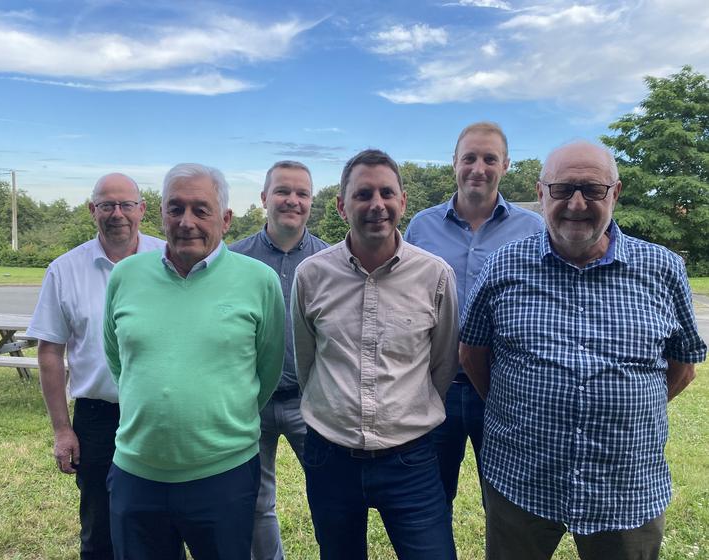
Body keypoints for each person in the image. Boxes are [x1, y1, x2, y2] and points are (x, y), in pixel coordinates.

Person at [459, 141, 707, 560]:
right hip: (522, 479)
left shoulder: (663, 268)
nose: (576, 203)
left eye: (592, 190)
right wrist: (519, 409)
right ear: (541, 194)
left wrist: (625, 411)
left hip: (626, 487)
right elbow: (472, 354)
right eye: (562, 189)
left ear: (615, 193)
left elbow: (683, 366)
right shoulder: (504, 265)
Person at [103, 163, 285, 560]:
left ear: (225, 218)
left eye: (201, 210)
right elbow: (119, 361)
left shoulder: (259, 281)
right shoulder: (125, 276)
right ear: (161, 213)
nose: (186, 222)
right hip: (137, 473)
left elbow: (266, 370)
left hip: (224, 474)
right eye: (176, 208)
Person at [292, 149, 460, 559]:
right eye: (363, 194)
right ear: (341, 204)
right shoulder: (311, 275)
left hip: (412, 461)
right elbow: (306, 360)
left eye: (387, 193)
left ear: (403, 200)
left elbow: (442, 363)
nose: (376, 205)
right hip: (329, 457)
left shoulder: (435, 275)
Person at [405, 121, 543, 508]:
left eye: (489, 159)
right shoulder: (422, 226)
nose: (478, 168)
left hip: (505, 388)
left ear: (507, 165)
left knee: (505, 501)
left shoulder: (533, 229)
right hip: (436, 387)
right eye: (470, 158)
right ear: (454, 163)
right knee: (430, 497)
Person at [27, 173, 164, 559]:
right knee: (100, 530)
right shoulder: (64, 270)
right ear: (92, 211)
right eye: (107, 205)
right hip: (98, 417)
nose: (117, 214)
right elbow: (49, 352)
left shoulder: (170, 260)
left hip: (161, 413)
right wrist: (61, 430)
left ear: (142, 210)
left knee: (162, 524)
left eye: (125, 205)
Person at [228, 160, 327, 560]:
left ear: (311, 202)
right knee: (254, 503)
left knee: (329, 499)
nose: (292, 200)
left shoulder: (329, 260)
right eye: (283, 191)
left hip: (313, 403)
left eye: (302, 193)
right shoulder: (234, 261)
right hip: (250, 403)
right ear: (264, 198)